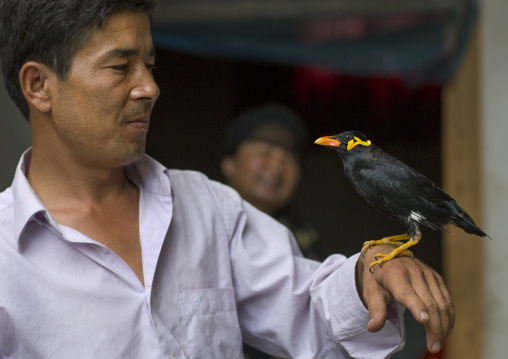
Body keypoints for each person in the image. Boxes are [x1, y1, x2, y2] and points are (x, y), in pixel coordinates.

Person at [0, 0, 453, 358]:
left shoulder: (208, 207)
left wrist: (367, 275)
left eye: (149, 65)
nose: (150, 87)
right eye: (120, 67)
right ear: (39, 86)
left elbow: (308, 309)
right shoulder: (6, 257)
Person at [221, 103, 320, 261]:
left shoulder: (302, 240)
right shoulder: (203, 220)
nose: (277, 167)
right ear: (229, 163)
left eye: (288, 158)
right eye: (264, 152)